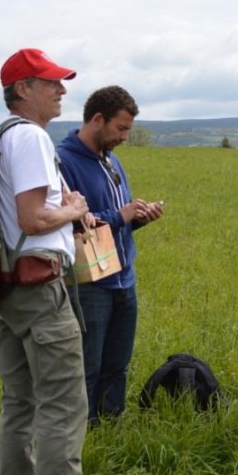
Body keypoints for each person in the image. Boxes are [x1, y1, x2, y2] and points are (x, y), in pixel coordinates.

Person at [0, 47, 94, 475]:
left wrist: (64, 208)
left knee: (20, 399)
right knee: (64, 401)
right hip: (37, 287)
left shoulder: (1, 136)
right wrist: (71, 210)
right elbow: (33, 219)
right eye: (49, 82)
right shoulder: (28, 136)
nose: (62, 90)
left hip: (2, 288)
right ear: (22, 90)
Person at [57, 85, 164, 425]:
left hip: (122, 278)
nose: (125, 137)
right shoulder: (63, 162)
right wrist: (122, 216)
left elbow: (117, 220)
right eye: (121, 128)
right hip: (89, 284)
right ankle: (81, 433)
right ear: (97, 120)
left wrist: (138, 218)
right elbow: (73, 225)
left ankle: (111, 426)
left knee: (117, 363)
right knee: (87, 365)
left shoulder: (112, 161)